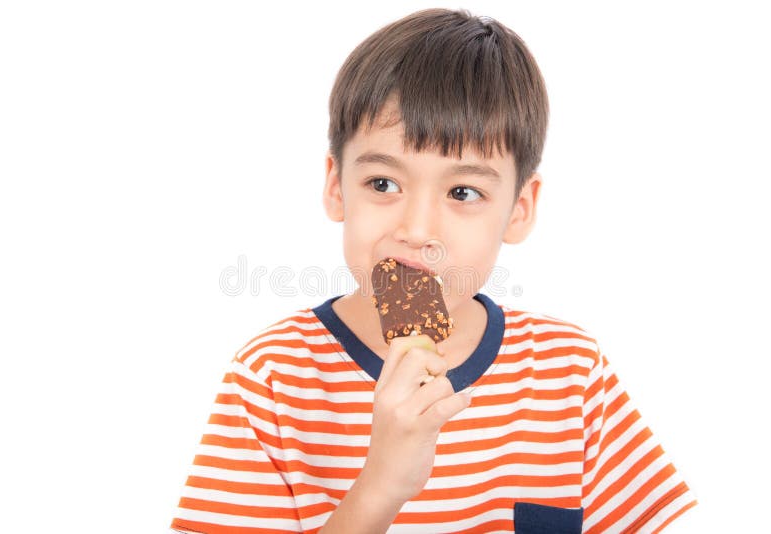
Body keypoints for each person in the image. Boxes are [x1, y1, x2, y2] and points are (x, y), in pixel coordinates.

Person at [170, 7, 696, 533]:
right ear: (336, 187)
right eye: (383, 184)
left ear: (519, 209)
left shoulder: (571, 375)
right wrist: (381, 487)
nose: (417, 229)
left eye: (463, 192)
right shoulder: (273, 379)